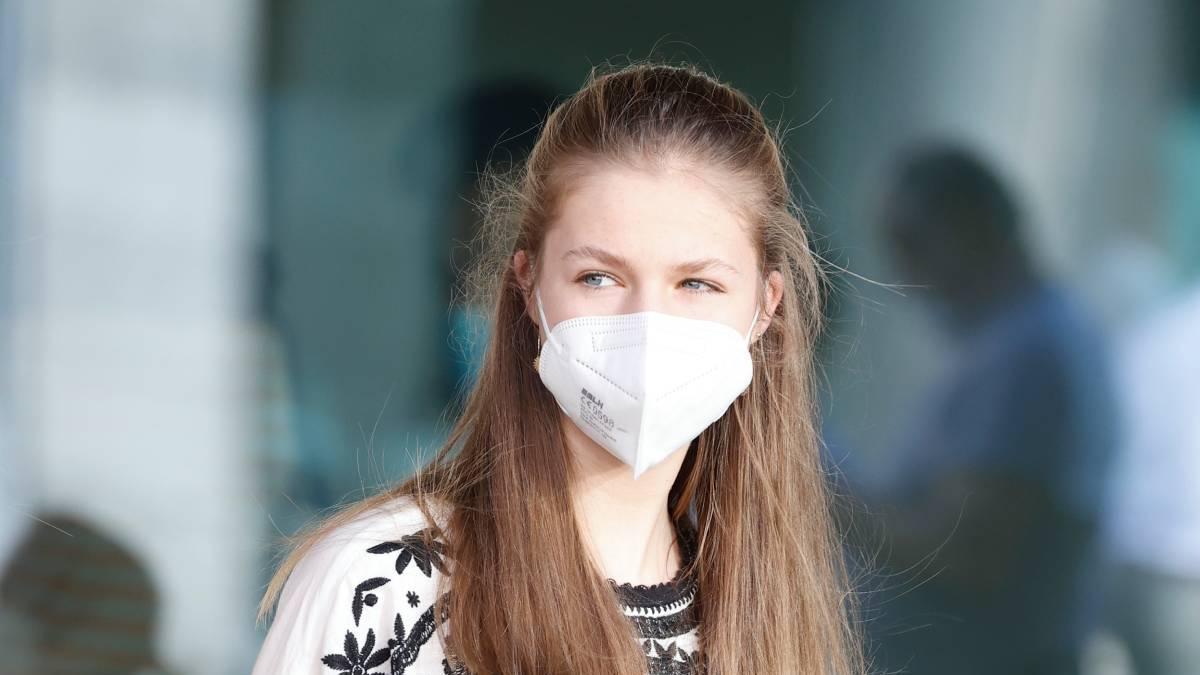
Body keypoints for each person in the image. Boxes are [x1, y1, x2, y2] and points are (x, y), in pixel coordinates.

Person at [251, 61, 865, 675]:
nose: (646, 324)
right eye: (598, 277)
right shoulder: (381, 586)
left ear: (765, 307)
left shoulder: (765, 617)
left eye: (697, 284)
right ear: (529, 288)